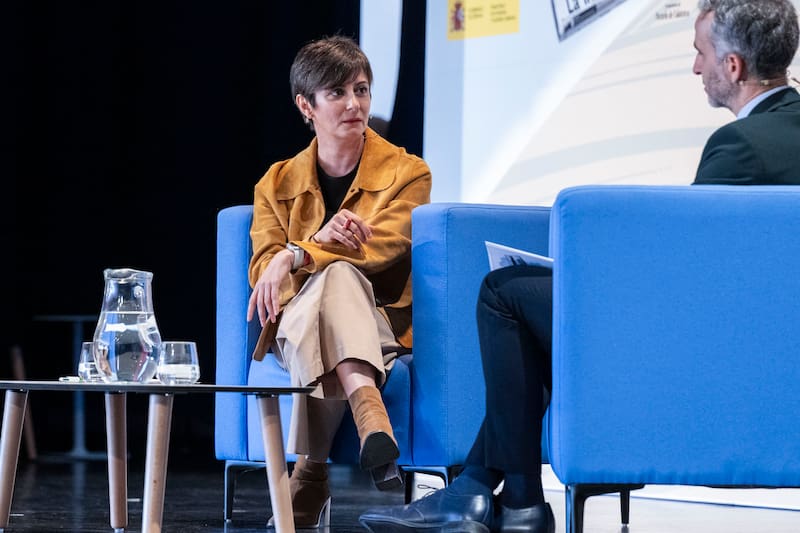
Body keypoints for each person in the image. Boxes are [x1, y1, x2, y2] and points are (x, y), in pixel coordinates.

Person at [359, 1, 800, 532]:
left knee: (506, 291)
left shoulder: (740, 146)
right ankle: (487, 493)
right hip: (766, 346)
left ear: (734, 67)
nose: (695, 67)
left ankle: (504, 498)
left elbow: (687, 271)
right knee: (541, 311)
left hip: (699, 351)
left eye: (700, 53)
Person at [245, 35, 431, 529]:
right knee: (331, 279)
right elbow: (265, 273)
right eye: (337, 94)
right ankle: (368, 410)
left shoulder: (408, 173)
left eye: (362, 90)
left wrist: (301, 251)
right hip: (293, 320)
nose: (355, 104)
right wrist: (304, 250)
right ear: (306, 105)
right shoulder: (276, 182)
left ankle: (310, 472)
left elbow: (386, 245)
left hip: (378, 323)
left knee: (344, 275)